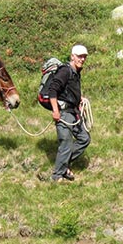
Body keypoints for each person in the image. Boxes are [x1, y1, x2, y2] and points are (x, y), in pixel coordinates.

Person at [46, 44, 91, 182]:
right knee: (66, 143)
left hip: (73, 112)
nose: (82, 59)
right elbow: (52, 90)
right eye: (79, 56)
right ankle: (57, 176)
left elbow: (70, 90)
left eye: (84, 57)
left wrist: (79, 99)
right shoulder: (65, 71)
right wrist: (55, 111)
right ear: (72, 56)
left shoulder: (76, 72)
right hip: (63, 113)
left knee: (84, 138)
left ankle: (63, 165)